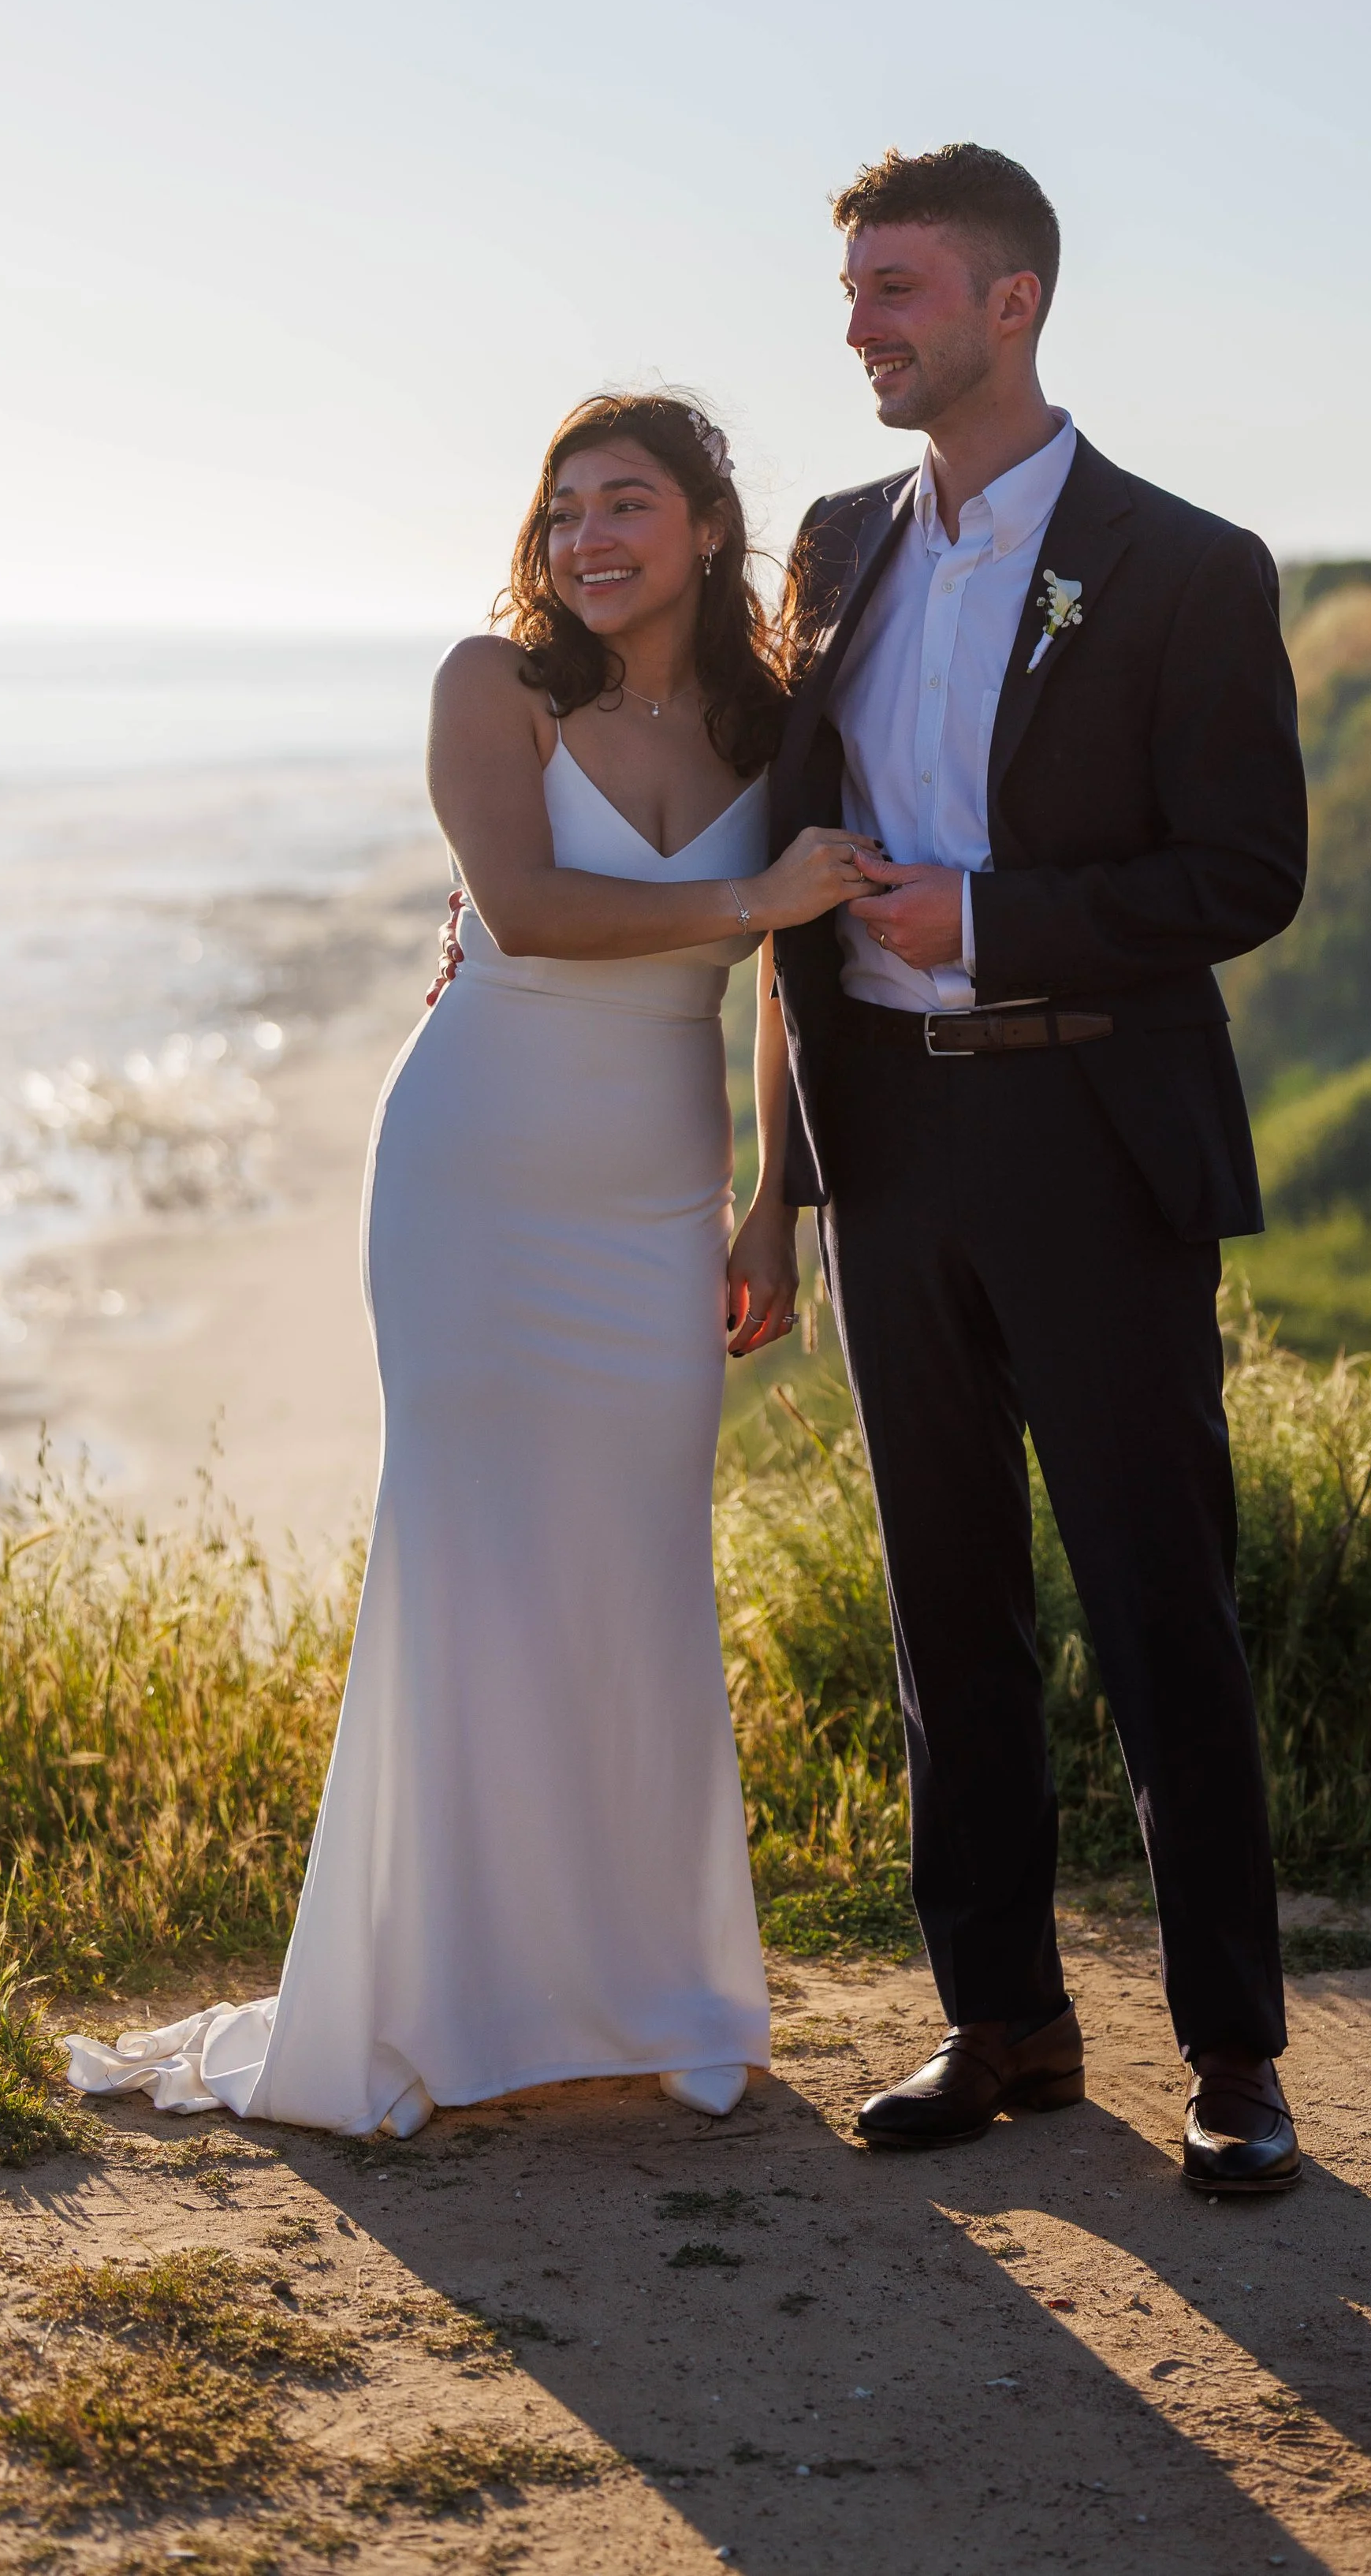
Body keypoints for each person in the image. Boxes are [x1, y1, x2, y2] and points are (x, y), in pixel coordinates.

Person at [65, 391, 870, 2135]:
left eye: (627, 503)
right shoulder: (487, 689)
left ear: (708, 526)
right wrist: (757, 904)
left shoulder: (770, 719)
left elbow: (794, 994)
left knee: (635, 1568)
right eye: (564, 508)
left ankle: (648, 1988)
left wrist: (768, 1209)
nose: (588, 538)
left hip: (657, 1195)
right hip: (474, 1172)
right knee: (471, 1560)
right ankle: (444, 1992)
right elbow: (530, 911)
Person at [734, 145, 1309, 2192]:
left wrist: (980, 922)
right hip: (886, 1142)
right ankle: (1001, 2017)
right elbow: (792, 879)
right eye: (851, 294)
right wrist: (773, 1188)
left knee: (1160, 1599)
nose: (862, 324)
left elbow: (1245, 870)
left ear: (1012, 301)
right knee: (940, 1600)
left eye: (896, 286)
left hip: (1090, 1128)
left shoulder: (1183, 563)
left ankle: (1233, 2053)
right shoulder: (828, 543)